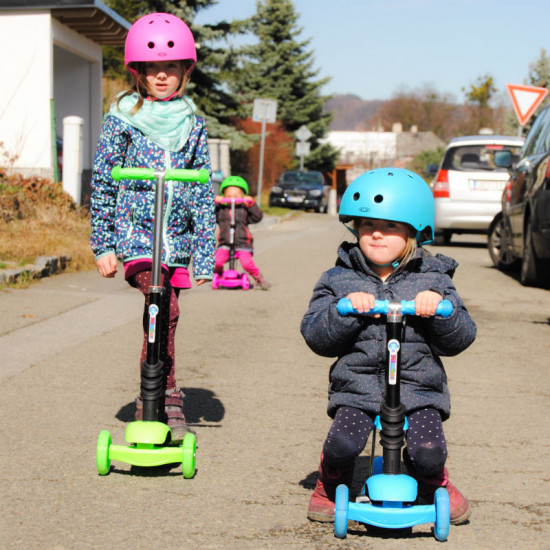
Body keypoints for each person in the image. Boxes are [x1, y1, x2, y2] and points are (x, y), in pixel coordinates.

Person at [300, 168, 476, 525]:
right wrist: (344, 310)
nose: (376, 233)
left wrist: (439, 311)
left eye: (391, 226)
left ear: (414, 231)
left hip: (418, 387)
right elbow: (315, 336)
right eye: (367, 225)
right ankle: (330, 483)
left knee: (428, 451)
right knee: (343, 444)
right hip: (358, 387)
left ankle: (432, 479)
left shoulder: (434, 279)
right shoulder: (338, 278)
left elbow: (461, 337)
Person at [90, 13, 216, 441]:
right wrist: (103, 245)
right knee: (164, 305)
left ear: (185, 71)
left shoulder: (192, 122)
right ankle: (163, 394)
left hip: (176, 239)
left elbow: (202, 192)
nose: (162, 76)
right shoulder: (123, 118)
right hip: (136, 236)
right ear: (139, 73)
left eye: (171, 68)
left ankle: (159, 393)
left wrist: (203, 253)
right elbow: (105, 183)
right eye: (153, 70)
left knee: (165, 314)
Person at [214, 176, 270, 290]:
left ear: (243, 196)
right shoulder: (221, 210)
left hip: (243, 243)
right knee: (216, 262)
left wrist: (251, 204)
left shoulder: (244, 209)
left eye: (236, 196)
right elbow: (209, 216)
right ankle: (219, 274)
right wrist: (215, 202)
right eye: (228, 196)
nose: (232, 199)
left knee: (247, 263)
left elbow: (257, 217)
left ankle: (259, 279)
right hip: (225, 243)